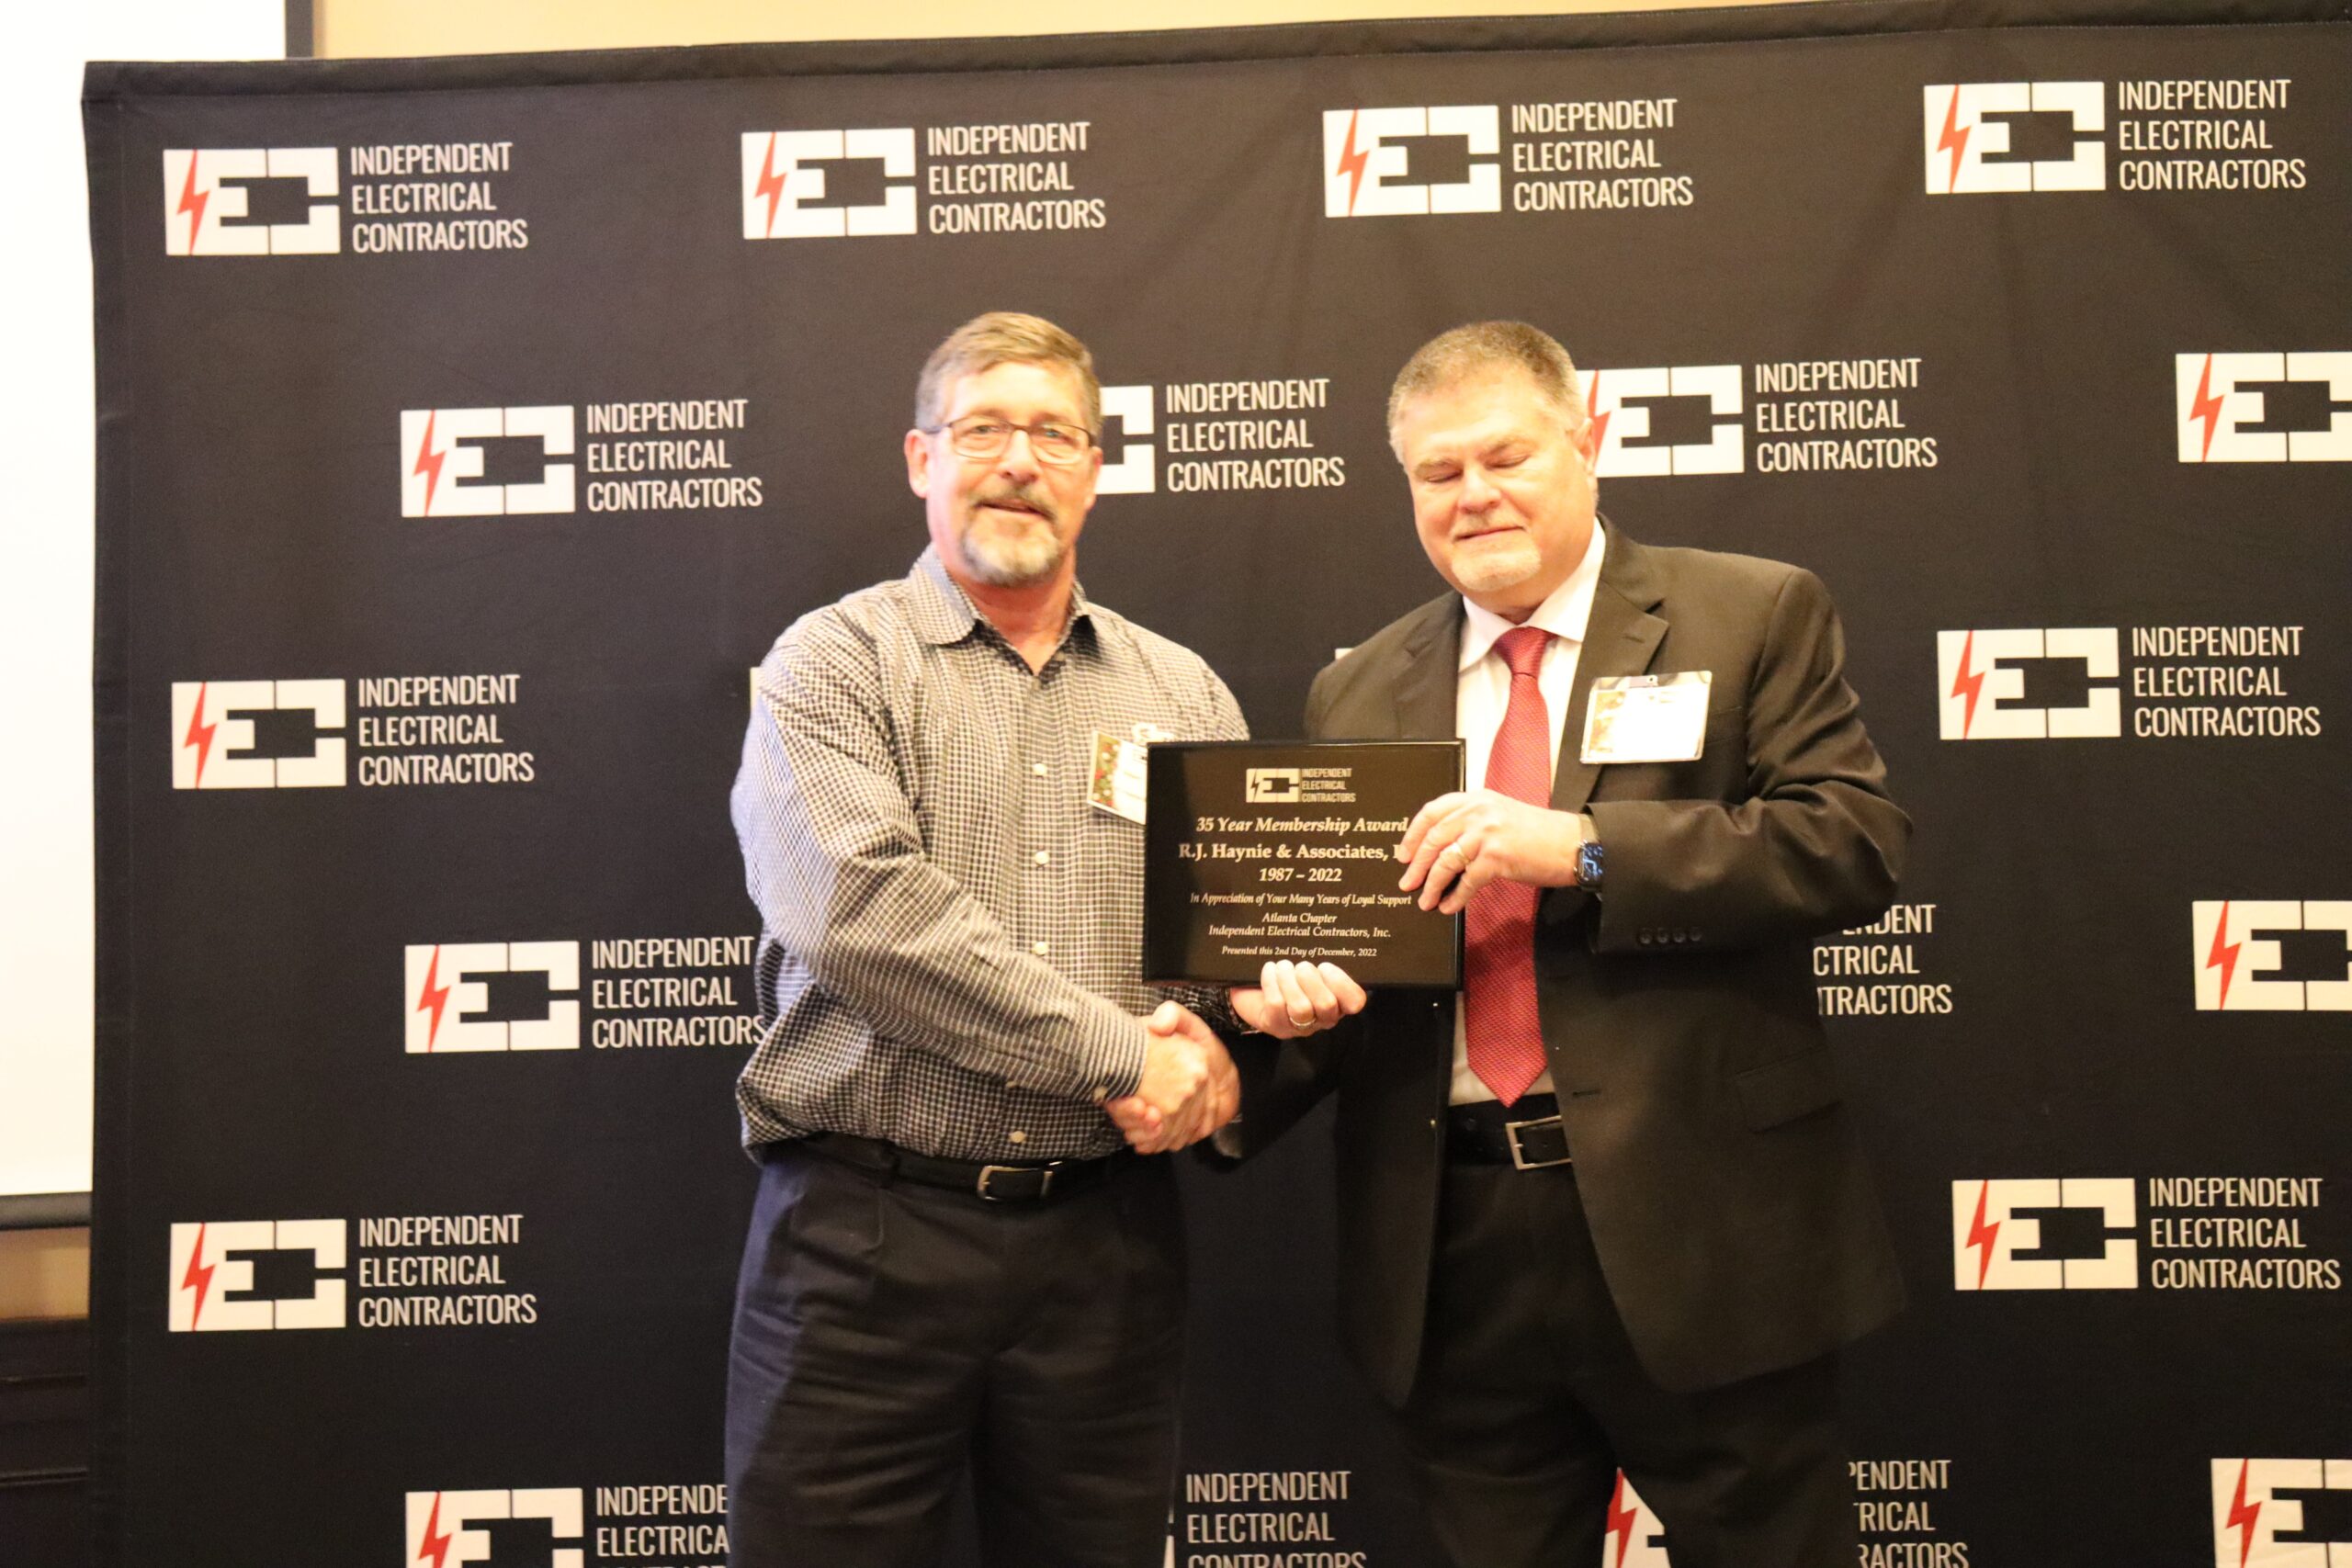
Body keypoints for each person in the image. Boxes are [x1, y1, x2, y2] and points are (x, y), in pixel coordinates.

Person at [1217, 321, 1910, 1568]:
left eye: (1506, 458)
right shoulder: (1357, 689)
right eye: (1439, 473)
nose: (1474, 495)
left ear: (1586, 442)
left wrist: (1583, 848)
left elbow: (1848, 842)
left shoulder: (1749, 611)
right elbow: (1362, 953)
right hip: (1453, 1247)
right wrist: (1274, 1016)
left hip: (1704, 1227)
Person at [726, 310, 1362, 1568]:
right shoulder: (834, 664)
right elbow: (862, 916)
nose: (1019, 461)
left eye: (1055, 435)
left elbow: (1222, 950)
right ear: (921, 459)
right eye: (983, 430)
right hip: (865, 1240)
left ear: (1095, 470)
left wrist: (1245, 1025)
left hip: (1105, 1251)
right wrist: (1128, 1058)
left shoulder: (1183, 692)